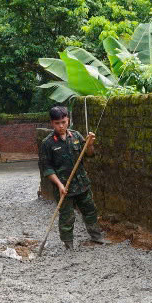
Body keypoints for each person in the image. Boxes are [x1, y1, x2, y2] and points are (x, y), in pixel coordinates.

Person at [38, 105, 107, 250]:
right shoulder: (47, 143)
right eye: (57, 123)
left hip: (82, 183)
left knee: (90, 210)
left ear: (68, 120)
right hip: (64, 187)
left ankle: (96, 236)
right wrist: (59, 185)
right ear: (52, 123)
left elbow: (89, 155)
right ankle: (68, 243)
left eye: (63, 122)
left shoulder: (76, 136)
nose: (61, 126)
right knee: (67, 217)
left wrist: (90, 145)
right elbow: (47, 168)